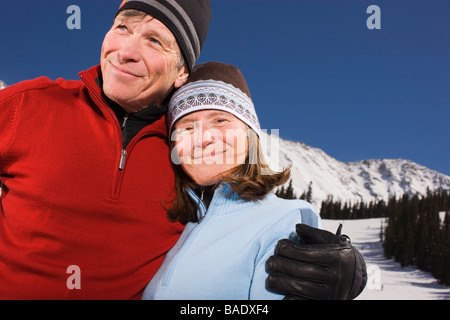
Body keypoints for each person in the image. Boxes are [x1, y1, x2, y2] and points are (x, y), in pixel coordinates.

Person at [0, 0, 366, 300]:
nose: (125, 51)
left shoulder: (181, 157)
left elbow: (260, 223)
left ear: (180, 74)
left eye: (155, 41)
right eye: (122, 28)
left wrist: (347, 270)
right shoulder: (29, 106)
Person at [140, 61, 352, 299]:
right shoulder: (172, 225)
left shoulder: (284, 220)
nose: (203, 139)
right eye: (187, 128)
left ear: (249, 134)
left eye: (220, 120)